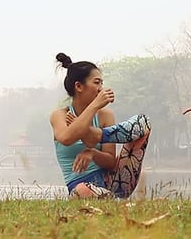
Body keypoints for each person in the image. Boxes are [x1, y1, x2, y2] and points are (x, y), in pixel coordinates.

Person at [50, 53, 151, 199]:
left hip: (115, 182)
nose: (101, 88)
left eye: (101, 83)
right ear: (79, 86)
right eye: (97, 83)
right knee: (82, 190)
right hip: (82, 187)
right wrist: (95, 105)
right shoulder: (59, 115)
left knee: (143, 122)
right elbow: (66, 138)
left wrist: (92, 153)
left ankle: (97, 135)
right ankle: (115, 202)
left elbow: (111, 162)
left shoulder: (105, 115)